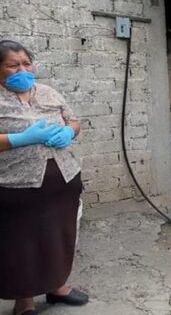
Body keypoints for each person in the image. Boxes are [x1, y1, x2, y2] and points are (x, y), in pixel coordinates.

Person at [0, 40, 89, 315]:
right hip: (17, 185)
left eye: (26, 63)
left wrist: (70, 132)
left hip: (63, 179)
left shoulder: (49, 92)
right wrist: (19, 139)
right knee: (20, 244)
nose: (22, 69)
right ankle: (23, 298)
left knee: (60, 236)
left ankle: (57, 287)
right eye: (13, 65)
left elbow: (74, 121)